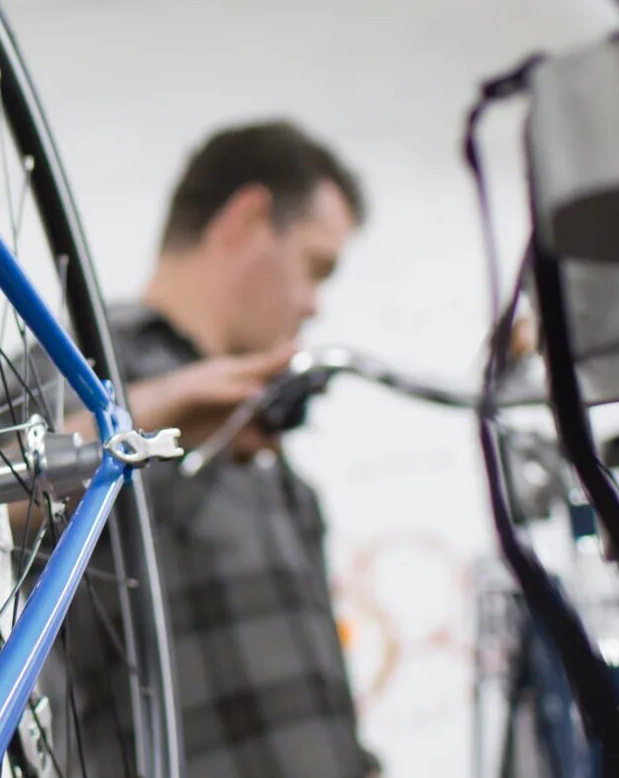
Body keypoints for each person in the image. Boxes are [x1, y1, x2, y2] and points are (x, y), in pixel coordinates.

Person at [114, 120, 376, 778]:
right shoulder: (78, 367)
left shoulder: (257, 430)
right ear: (250, 217)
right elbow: (10, 489)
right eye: (315, 266)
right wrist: (169, 408)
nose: (314, 304)